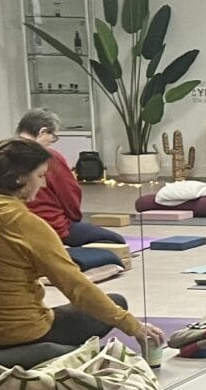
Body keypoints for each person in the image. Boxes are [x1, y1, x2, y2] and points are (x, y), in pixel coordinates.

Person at [0, 138, 163, 355]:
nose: (44, 183)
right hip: (12, 335)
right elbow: (77, 288)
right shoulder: (27, 224)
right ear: (20, 179)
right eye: (40, 176)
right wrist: (133, 327)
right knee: (117, 302)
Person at [15, 108, 129, 271]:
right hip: (53, 228)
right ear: (42, 131)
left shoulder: (4, 153)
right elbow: (70, 194)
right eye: (52, 137)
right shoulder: (48, 157)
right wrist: (74, 219)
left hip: (16, 229)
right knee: (115, 240)